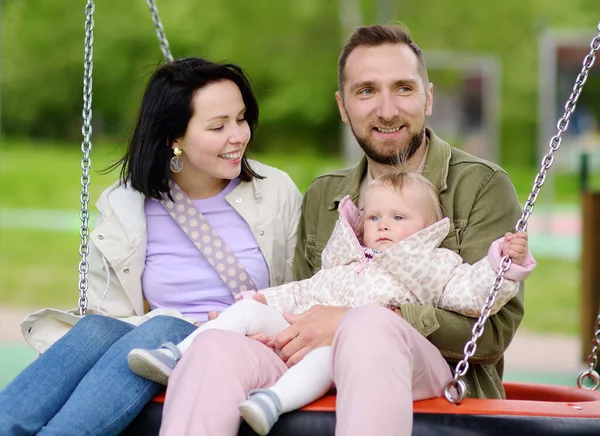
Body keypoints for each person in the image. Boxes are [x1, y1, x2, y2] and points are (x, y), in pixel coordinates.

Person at [160, 24, 525, 436]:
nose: (387, 110)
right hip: (315, 370)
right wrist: (262, 324)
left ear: (429, 97)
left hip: (437, 380)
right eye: (366, 91)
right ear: (343, 106)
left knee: (368, 328)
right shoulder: (326, 193)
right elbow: (306, 306)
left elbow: (491, 334)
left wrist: (356, 318)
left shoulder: (480, 185)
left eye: (403, 88)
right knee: (215, 347)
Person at [0, 57, 302, 435]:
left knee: (159, 326)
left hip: (247, 343)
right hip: (152, 346)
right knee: (95, 330)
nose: (238, 135)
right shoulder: (125, 205)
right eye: (218, 126)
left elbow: (306, 288)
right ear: (173, 138)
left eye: (240, 119)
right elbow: (108, 312)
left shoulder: (276, 192)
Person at [129, 170, 535, 435]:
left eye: (398, 218)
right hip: (308, 347)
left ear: (429, 228)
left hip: (398, 358)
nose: (384, 227)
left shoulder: (432, 262)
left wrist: (501, 264)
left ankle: (275, 399)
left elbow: (471, 295)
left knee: (361, 328)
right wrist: (258, 301)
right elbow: (303, 293)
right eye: (375, 218)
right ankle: (174, 354)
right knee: (218, 344)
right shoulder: (344, 261)